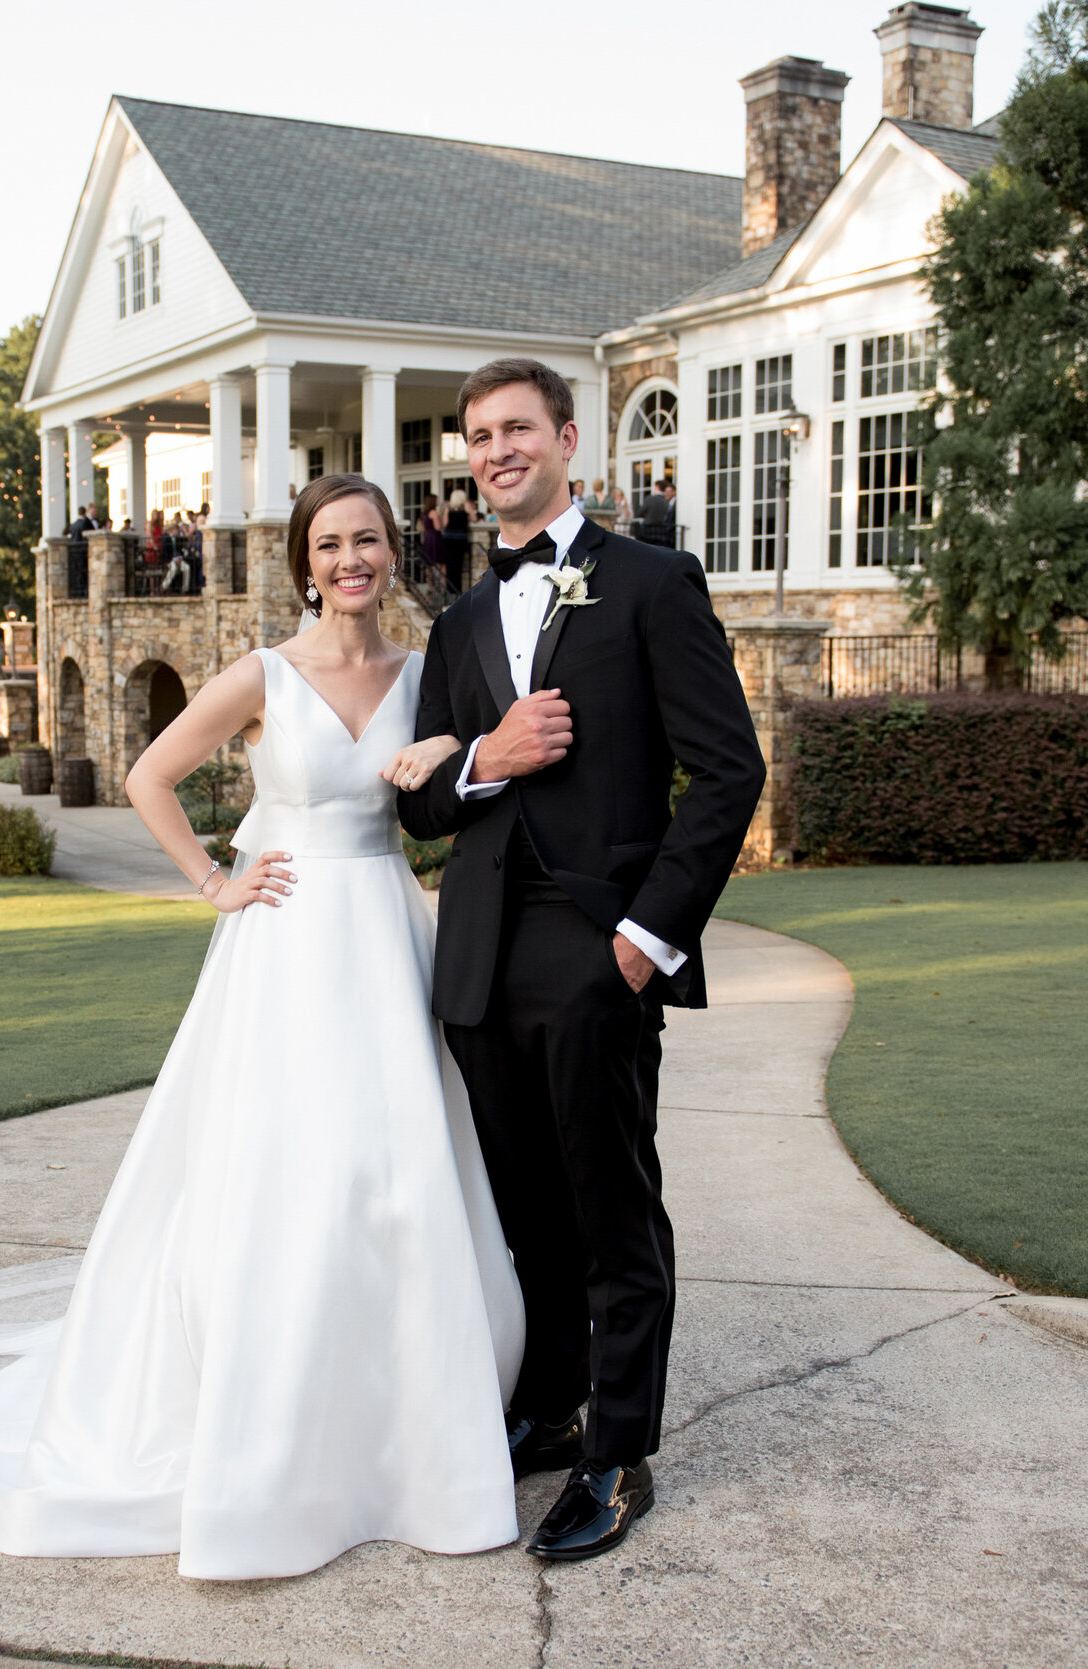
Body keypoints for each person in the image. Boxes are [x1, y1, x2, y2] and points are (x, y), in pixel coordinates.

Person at [0, 473, 521, 1583]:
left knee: (398, 1173)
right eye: (330, 543)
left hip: (389, 938)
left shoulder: (423, 675)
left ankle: (407, 1429)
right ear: (303, 561)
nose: (351, 559)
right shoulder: (264, 672)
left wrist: (442, 758)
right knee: (289, 1174)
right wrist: (213, 877)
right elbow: (150, 770)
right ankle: (274, 1431)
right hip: (290, 944)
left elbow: (446, 795)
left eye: (368, 541)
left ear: (392, 553)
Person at [398, 358, 763, 1563]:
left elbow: (729, 772)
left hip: (597, 947)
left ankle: (618, 1448)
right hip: (479, 959)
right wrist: (490, 753)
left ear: (567, 441)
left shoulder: (654, 583)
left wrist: (644, 940)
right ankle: (551, 1406)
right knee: (526, 1214)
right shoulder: (453, 624)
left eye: (517, 429)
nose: (495, 449)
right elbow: (427, 808)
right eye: (477, 436)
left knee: (612, 1214)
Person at [631, 477, 677, 548]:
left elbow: (639, 513)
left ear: (657, 487)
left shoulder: (650, 499)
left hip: (648, 532)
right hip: (662, 533)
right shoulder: (667, 501)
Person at [443, 488, 473, 595]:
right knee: (457, 566)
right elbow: (474, 518)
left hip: (449, 539)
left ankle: (451, 591)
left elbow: (445, 524)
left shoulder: (448, 509)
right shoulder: (466, 507)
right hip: (460, 540)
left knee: (451, 566)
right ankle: (456, 591)